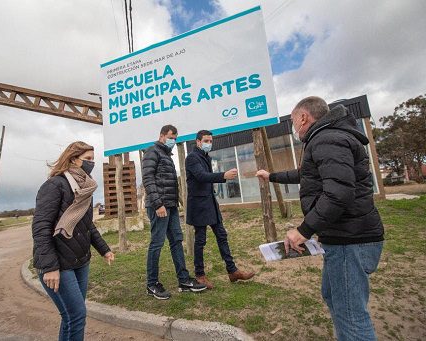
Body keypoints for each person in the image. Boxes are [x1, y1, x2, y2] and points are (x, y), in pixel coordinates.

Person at [256, 97, 384, 340]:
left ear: (303, 117)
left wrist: (304, 230)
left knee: (351, 315)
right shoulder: (328, 137)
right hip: (344, 236)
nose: (294, 128)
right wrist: (271, 176)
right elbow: (307, 174)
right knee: (332, 296)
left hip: (350, 239)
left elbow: (338, 193)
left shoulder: (327, 138)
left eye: (294, 121)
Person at [32, 141, 115, 341]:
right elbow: (41, 228)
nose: (91, 163)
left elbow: (87, 225)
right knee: (77, 316)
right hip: (58, 264)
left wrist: (104, 249)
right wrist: (50, 267)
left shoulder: (85, 187)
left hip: (80, 261)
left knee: (71, 316)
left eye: (93, 159)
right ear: (72, 159)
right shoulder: (54, 185)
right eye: (87, 159)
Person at [142, 124, 207, 299]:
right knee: (157, 243)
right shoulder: (152, 152)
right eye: (171, 137)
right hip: (159, 207)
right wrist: (157, 204)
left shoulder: (166, 155)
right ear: (162, 136)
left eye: (175, 138)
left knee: (176, 241)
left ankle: (184, 280)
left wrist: (173, 204)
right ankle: (151, 284)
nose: (173, 141)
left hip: (170, 206)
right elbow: (148, 179)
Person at [185, 130, 255, 289]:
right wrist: (223, 175)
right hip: (199, 206)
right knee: (200, 240)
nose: (209, 143)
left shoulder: (206, 157)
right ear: (198, 142)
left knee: (222, 235)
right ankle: (200, 275)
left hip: (210, 203)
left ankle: (232, 271)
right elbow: (202, 176)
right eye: (206, 140)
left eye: (210, 140)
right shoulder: (192, 158)